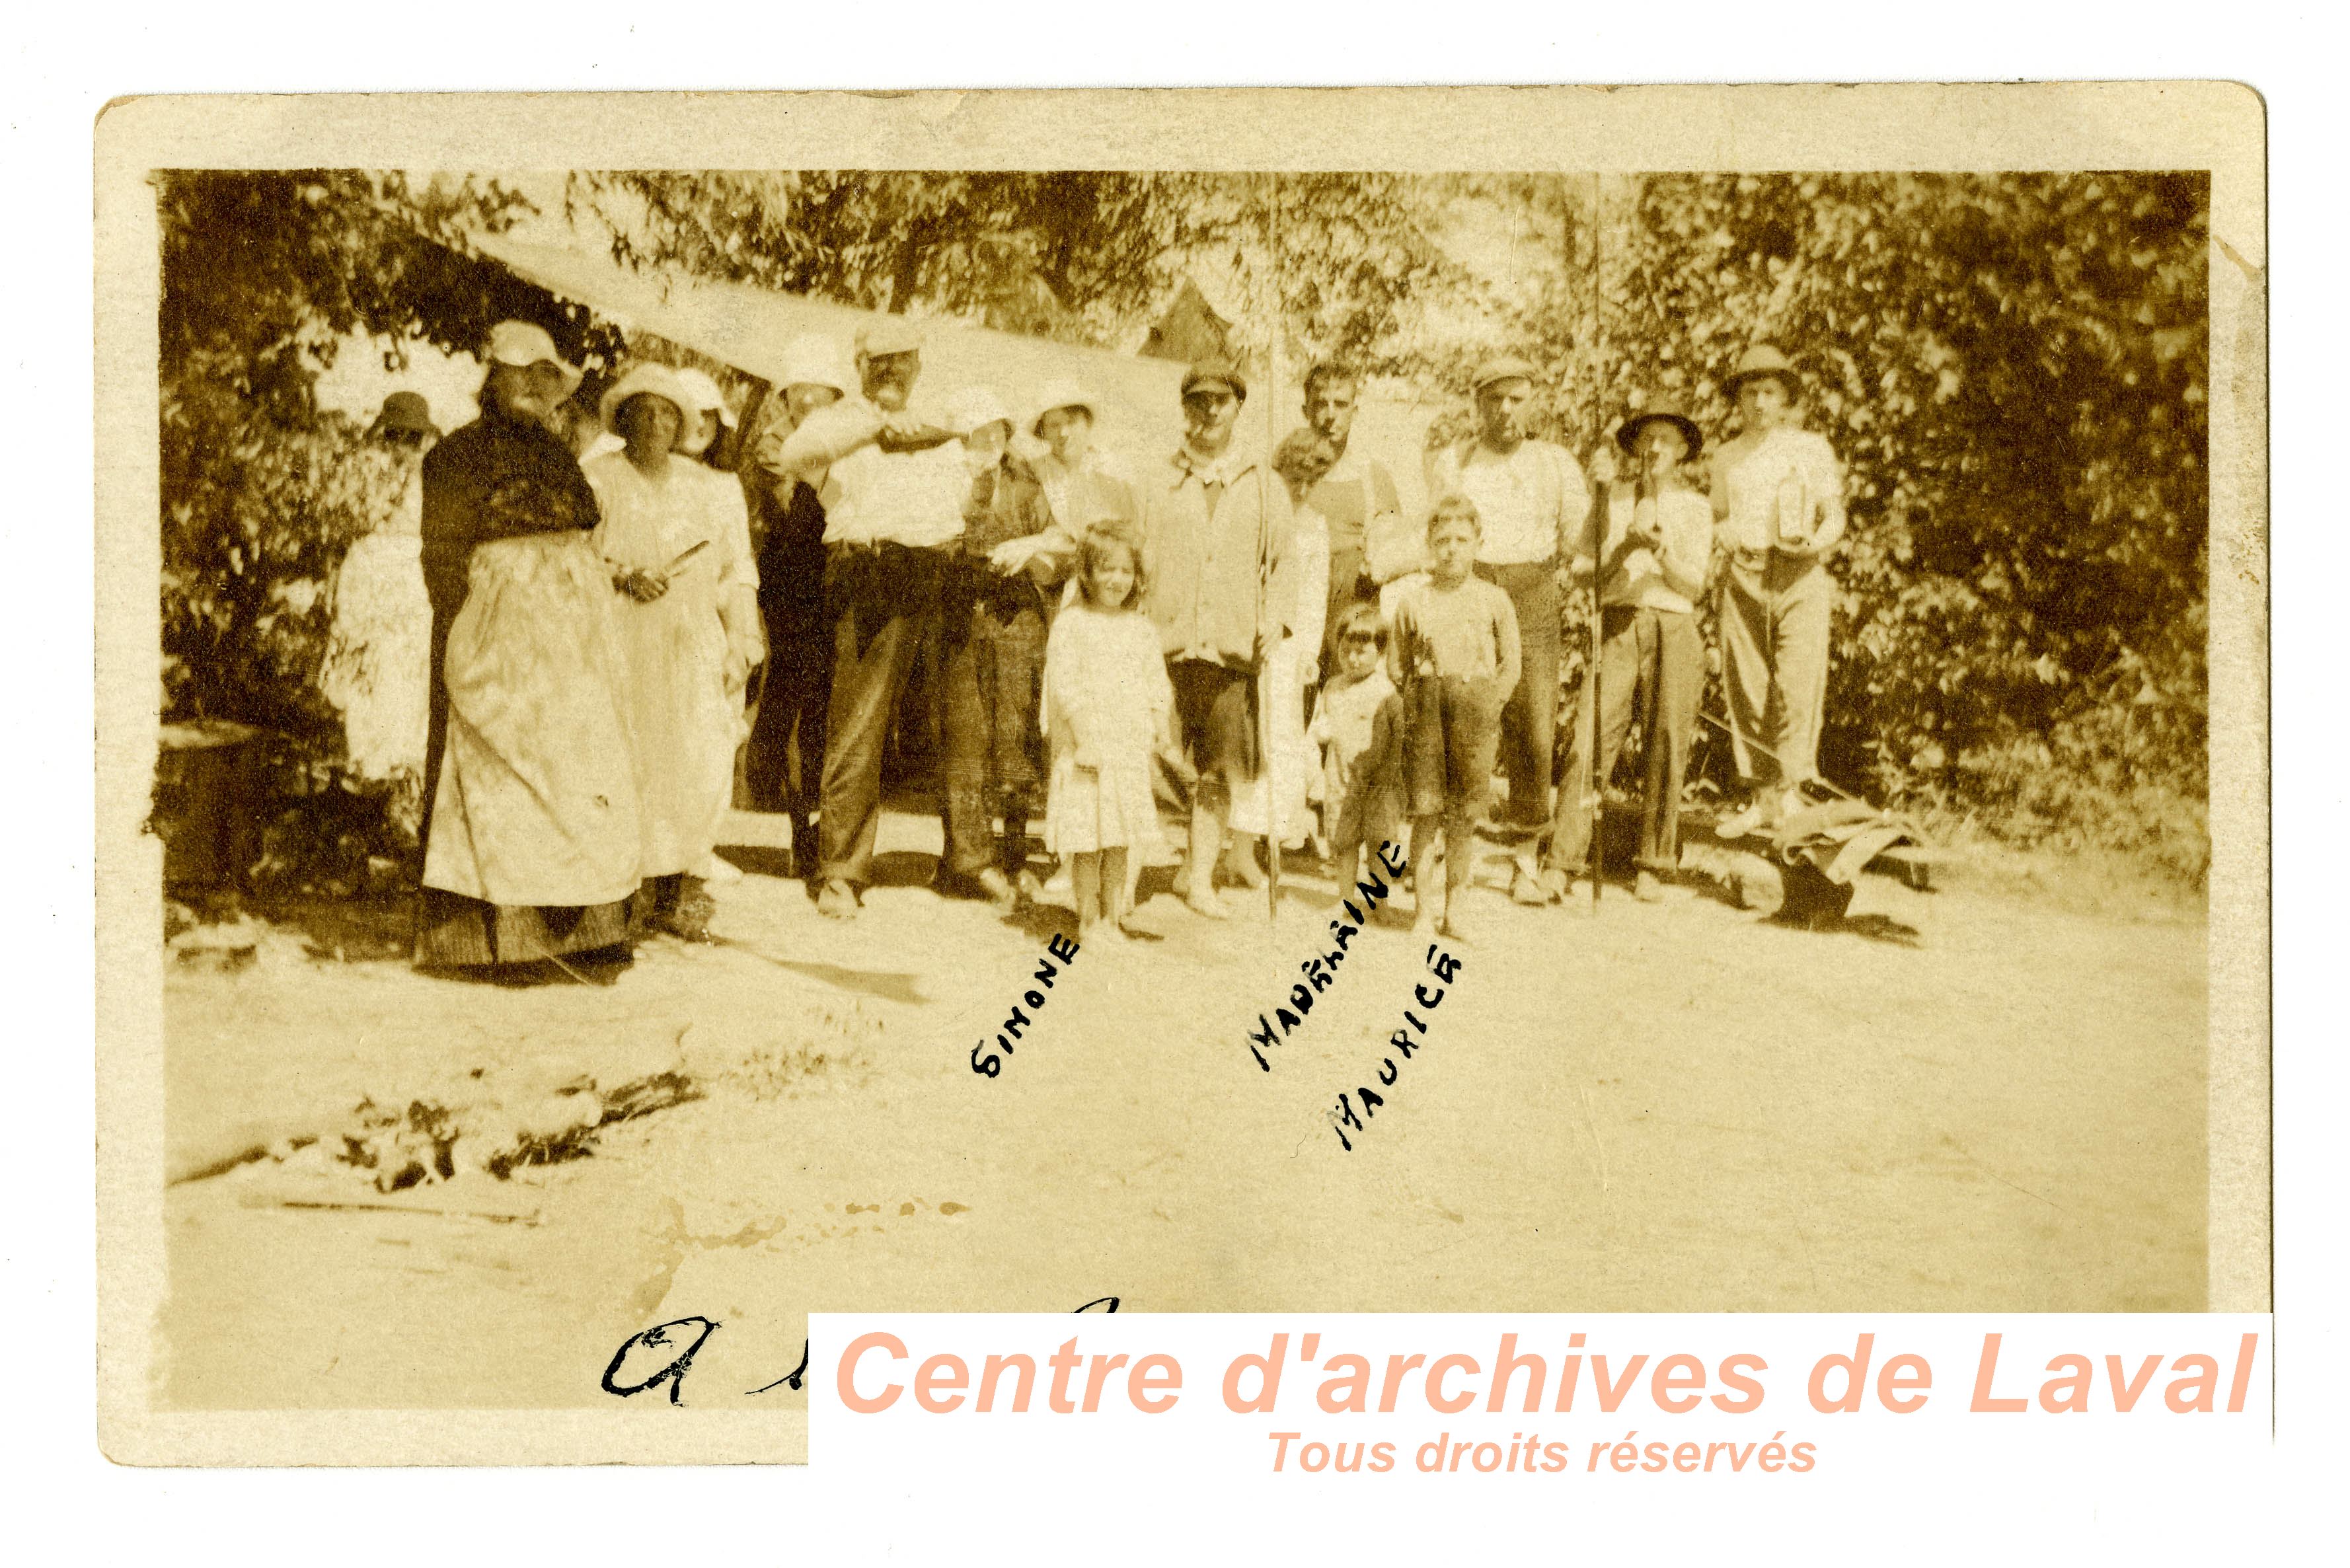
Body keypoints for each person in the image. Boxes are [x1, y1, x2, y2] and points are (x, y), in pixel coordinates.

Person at [414, 322, 642, 974]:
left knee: (578, 761)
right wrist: (470, 638)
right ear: (493, 377)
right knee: (498, 767)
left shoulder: (557, 455)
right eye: (524, 371)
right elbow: (444, 560)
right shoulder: (455, 455)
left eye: (548, 375)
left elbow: (582, 536)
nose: (536, 386)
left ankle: (580, 934)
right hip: (496, 631)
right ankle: (490, 942)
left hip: (569, 636)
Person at [769, 317, 967, 920]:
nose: (891, 369)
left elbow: (966, 481)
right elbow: (794, 454)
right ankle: (841, 872)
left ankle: (970, 860)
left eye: (902, 358)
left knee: (963, 722)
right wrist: (876, 425)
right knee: (858, 727)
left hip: (935, 571)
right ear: (859, 367)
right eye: (878, 360)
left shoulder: (940, 420)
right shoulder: (836, 420)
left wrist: (924, 430)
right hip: (869, 574)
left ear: (918, 364)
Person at [586, 363, 763, 941]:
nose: (658, 422)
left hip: (691, 640)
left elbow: (738, 570)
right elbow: (574, 556)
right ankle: (618, 898)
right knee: (628, 760)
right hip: (622, 637)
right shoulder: (598, 476)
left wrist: (740, 636)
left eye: (669, 412)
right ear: (624, 417)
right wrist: (622, 576)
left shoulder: (714, 487)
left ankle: (675, 894)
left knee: (696, 758)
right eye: (645, 409)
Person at [1424, 355, 1592, 887]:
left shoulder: (1555, 461)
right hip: (1472, 589)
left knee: (1533, 722)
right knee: (1460, 714)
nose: (1505, 410)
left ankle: (1524, 852)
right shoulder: (1456, 460)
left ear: (1533, 401)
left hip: (1533, 589)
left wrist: (1605, 495)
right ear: (1477, 404)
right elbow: (1438, 531)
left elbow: (1583, 540)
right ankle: (1452, 847)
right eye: (1494, 398)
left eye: (1516, 398)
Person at [1138, 357, 1296, 921]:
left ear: (1238, 407)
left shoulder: (1264, 483)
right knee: (1149, 754)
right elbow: (1136, 556)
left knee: (1218, 769)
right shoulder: (1160, 478)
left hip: (1231, 648)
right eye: (1198, 401)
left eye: (1220, 401)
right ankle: (1125, 873)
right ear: (1185, 408)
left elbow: (1283, 564)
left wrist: (1274, 619)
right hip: (1167, 642)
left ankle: (1198, 877)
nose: (1209, 411)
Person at [1536, 400, 1712, 905]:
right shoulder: (1609, 498)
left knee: (1668, 742)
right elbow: (1583, 572)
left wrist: (1658, 550)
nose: (1655, 448)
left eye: (1666, 440)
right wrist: (1623, 549)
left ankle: (1654, 862)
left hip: (1674, 626)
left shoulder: (1696, 506)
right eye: (1647, 438)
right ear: (1635, 446)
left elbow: (1695, 586)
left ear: (1682, 450)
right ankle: (1563, 862)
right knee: (1589, 742)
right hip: (1619, 623)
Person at [1708, 345, 1846, 838]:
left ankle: (1791, 796)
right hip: (1744, 574)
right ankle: (1762, 800)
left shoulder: (1810, 448)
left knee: (1795, 684)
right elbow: (1720, 515)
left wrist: (1817, 540)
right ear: (1738, 400)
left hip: (1799, 571)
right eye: (1751, 393)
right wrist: (1722, 531)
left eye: (1770, 392)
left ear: (1785, 397)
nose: (1761, 402)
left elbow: (1835, 516)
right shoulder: (1726, 456)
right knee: (1746, 687)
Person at [937, 387, 1063, 908]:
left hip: (1019, 621)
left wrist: (1028, 548)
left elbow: (1063, 545)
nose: (985, 441)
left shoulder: (1029, 481)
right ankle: (967, 859)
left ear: (1008, 434)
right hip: (961, 617)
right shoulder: (944, 476)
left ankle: (1013, 852)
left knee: (1016, 736)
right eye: (975, 432)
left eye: (995, 431)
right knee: (965, 740)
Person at [743, 334, 853, 873]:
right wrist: (838, 485)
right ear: (787, 397)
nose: (812, 401)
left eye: (822, 391)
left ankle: (822, 823)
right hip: (793, 586)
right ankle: (799, 826)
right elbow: (797, 511)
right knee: (800, 701)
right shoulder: (773, 444)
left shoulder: (842, 438)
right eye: (802, 391)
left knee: (830, 706)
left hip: (836, 581)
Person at [1388, 494, 1520, 942]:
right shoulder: (1414, 600)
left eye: (1462, 539)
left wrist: (1490, 704)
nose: (1451, 549)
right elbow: (1397, 662)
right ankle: (1423, 912)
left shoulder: (1494, 599)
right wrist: (1418, 696)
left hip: (1475, 710)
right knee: (1426, 815)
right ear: (1429, 543)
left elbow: (1512, 664)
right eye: (1442, 539)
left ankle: (1456, 912)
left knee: (1464, 819)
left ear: (1478, 543)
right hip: (1428, 707)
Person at [1042, 523, 1172, 945]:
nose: (1116, 580)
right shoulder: (1072, 624)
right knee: (1087, 839)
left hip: (1127, 750)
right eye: (1106, 570)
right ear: (1088, 573)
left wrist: (1160, 727)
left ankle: (1112, 919)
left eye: (1125, 571)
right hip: (1087, 749)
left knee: (1119, 839)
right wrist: (1084, 739)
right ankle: (1087, 918)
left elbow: (1157, 683)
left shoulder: (1141, 629)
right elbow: (1066, 686)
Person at [1225, 428, 1332, 887]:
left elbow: (1315, 594)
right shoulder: (1258, 513)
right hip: (1251, 639)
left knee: (1279, 747)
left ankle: (1250, 847)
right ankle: (1234, 848)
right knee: (1247, 742)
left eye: (1312, 481)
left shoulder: (1315, 526)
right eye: (1294, 478)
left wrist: (1308, 649)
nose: (1301, 489)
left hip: (1288, 648)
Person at [321, 391, 437, 794]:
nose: (404, 446)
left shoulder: (423, 478)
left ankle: (392, 767)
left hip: (401, 575)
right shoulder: (372, 473)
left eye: (410, 438)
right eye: (399, 437)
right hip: (377, 572)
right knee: (377, 662)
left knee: (400, 665)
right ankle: (377, 766)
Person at [1295, 362, 1402, 682]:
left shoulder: (1374, 478)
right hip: (1301, 611)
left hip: (1354, 617)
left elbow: (1395, 553)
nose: (1330, 415)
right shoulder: (1289, 475)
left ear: (1355, 410)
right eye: (1321, 404)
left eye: (1340, 404)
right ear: (1306, 411)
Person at [1308, 600, 1406, 892]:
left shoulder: (1387, 692)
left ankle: (1380, 901)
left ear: (1380, 651)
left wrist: (1389, 775)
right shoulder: (1333, 687)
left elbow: (1400, 739)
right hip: (1341, 783)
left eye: (1361, 652)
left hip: (1380, 785)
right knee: (1344, 841)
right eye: (1345, 651)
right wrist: (1321, 731)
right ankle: (1346, 896)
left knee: (1381, 843)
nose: (1352, 659)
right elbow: (1319, 725)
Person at [1025, 377, 1138, 541]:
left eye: (1071, 422)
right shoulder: (1035, 471)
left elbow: (1124, 535)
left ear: (1087, 423)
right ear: (1043, 432)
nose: (1063, 433)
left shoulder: (1111, 469)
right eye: (1054, 425)